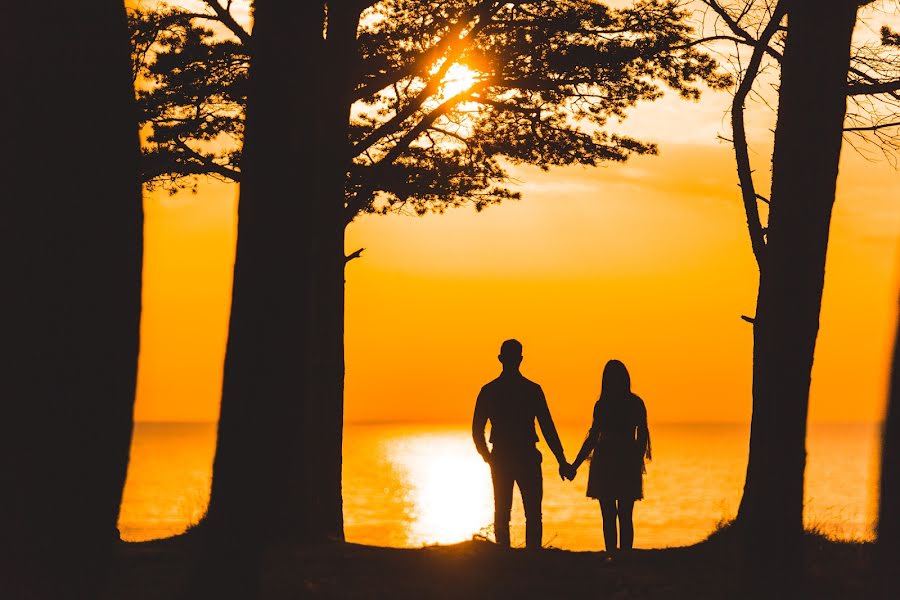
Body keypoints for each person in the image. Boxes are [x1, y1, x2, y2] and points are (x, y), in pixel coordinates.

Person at [472, 339, 570, 549]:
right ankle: (527, 555)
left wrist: (488, 457)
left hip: (510, 457)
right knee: (527, 512)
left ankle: (507, 555)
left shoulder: (492, 390)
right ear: (520, 359)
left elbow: (477, 431)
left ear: (502, 359)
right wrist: (488, 457)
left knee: (508, 512)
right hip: (518, 457)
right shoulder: (530, 390)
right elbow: (548, 428)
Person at [568, 359, 651, 553]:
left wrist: (575, 465)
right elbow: (643, 435)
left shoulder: (603, 404)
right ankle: (623, 554)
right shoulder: (635, 403)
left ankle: (613, 553)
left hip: (606, 459)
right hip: (623, 459)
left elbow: (593, 438)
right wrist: (636, 458)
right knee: (624, 513)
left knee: (610, 513)